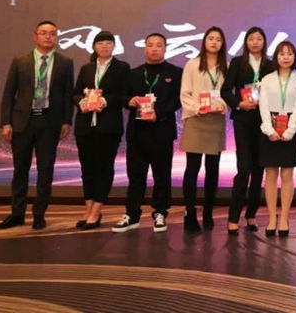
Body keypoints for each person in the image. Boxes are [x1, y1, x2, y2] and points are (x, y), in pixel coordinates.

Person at [0, 21, 74, 231]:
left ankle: (39, 214)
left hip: (49, 122)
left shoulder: (65, 63)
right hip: (23, 121)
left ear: (56, 37)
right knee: (20, 169)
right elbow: (8, 93)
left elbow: (67, 95)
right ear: (35, 36)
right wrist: (6, 122)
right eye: (44, 33)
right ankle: (17, 213)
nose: (48, 36)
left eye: (52, 33)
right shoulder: (20, 61)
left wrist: (67, 120)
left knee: (45, 169)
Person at [112, 33, 183, 233]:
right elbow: (122, 96)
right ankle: (132, 214)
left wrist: (159, 113)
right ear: (145, 48)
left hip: (162, 131)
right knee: (136, 176)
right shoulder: (134, 73)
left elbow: (178, 100)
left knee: (162, 176)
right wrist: (130, 101)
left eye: (158, 45)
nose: (154, 49)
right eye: (150, 45)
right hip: (137, 132)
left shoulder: (175, 72)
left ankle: (160, 212)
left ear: (165, 48)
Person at [72, 30, 130, 230]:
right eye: (100, 43)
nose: (104, 46)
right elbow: (75, 94)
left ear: (114, 46)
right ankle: (88, 209)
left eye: (108, 43)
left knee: (104, 168)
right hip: (85, 126)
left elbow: (123, 94)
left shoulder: (122, 67)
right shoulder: (86, 68)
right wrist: (82, 102)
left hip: (108, 127)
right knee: (87, 169)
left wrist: (104, 101)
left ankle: (96, 212)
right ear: (94, 46)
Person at [222, 27, 273, 235]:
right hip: (243, 120)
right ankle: (233, 217)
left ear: (264, 42)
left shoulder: (270, 65)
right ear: (246, 42)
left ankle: (251, 214)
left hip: (264, 121)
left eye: (259, 39)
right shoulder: (237, 62)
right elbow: (226, 90)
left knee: (259, 169)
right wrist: (238, 103)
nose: (255, 42)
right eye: (251, 39)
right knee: (244, 169)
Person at [179, 27, 229, 233]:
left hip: (216, 120)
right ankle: (190, 212)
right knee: (192, 167)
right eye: (211, 38)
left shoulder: (226, 66)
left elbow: (229, 93)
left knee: (213, 168)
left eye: (218, 39)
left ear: (222, 43)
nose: (214, 42)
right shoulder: (192, 64)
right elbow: (185, 94)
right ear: (204, 41)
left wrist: (222, 105)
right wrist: (199, 108)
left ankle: (208, 211)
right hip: (196, 118)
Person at [258, 40, 296, 237]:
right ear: (276, 57)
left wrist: (289, 131)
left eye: (290, 54)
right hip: (269, 128)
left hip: (290, 128)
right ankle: (271, 218)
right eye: (282, 53)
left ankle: (284, 217)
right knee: (270, 174)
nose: (286, 57)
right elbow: (263, 106)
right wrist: (269, 130)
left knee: (287, 175)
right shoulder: (267, 79)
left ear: (295, 57)